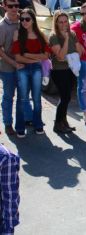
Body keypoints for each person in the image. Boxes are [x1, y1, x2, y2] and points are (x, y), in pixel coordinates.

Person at [12, 8, 51, 138]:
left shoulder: (41, 36)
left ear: (33, 20)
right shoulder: (17, 34)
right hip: (23, 69)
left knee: (36, 99)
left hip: (36, 69)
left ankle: (38, 124)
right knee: (22, 99)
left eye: (27, 19)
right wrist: (36, 57)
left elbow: (46, 56)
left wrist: (28, 55)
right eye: (22, 19)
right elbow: (18, 58)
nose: (24, 21)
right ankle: (20, 127)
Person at [0, 0, 32, 136]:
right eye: (11, 6)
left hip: (24, 66)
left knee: (24, 95)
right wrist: (14, 64)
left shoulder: (24, 20)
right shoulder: (2, 26)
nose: (14, 8)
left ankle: (26, 118)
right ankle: (8, 123)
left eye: (16, 5)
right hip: (8, 68)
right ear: (4, 6)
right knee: (8, 96)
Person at [49, 10, 81, 133]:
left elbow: (79, 51)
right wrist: (66, 39)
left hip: (71, 70)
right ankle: (58, 124)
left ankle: (63, 121)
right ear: (56, 23)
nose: (63, 24)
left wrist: (72, 56)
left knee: (67, 97)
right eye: (60, 22)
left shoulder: (72, 33)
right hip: (59, 71)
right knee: (64, 97)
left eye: (65, 21)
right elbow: (61, 56)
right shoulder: (54, 36)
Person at [0, 144, 20, 235]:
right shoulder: (5, 157)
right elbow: (10, 196)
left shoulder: (5, 158)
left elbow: (10, 196)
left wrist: (8, 229)